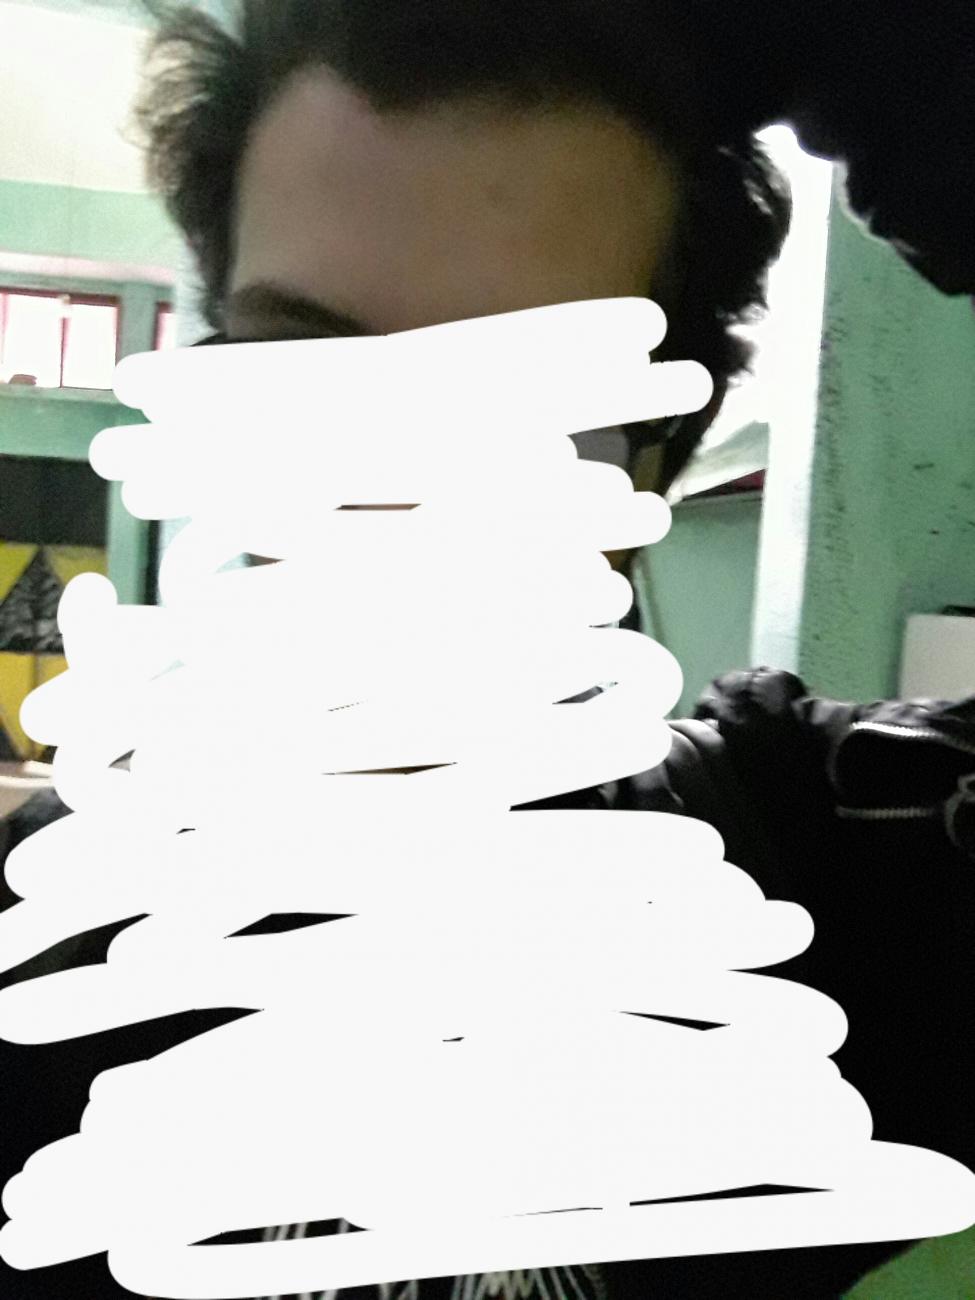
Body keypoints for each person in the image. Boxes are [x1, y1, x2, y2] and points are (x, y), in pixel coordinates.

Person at [1, 2, 973, 1297]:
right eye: (303, 373)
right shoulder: (42, 930)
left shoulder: (835, 870)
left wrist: (893, 64)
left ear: (647, 481)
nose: (383, 501)